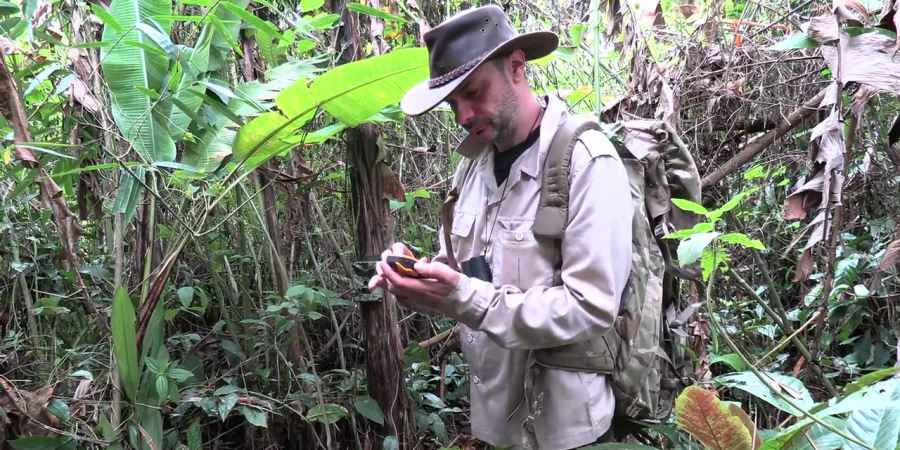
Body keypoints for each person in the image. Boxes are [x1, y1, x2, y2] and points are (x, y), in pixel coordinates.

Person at [368, 5, 633, 449]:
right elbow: (466, 279)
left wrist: (462, 295)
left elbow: (592, 307)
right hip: (494, 424)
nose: (463, 115)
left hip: (566, 433)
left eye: (473, 92)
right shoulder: (471, 170)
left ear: (516, 67)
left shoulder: (587, 161)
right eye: (453, 103)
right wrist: (418, 279)